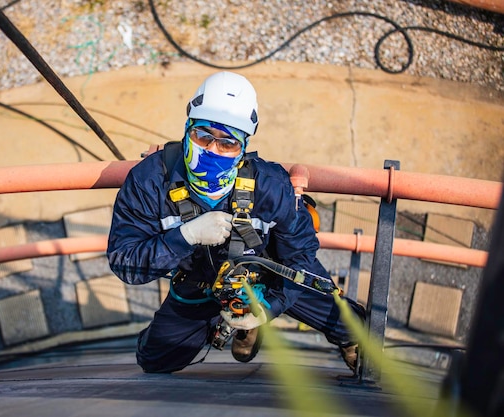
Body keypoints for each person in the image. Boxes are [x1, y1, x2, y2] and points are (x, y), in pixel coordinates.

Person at [107, 71, 365, 373]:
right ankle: (231, 319)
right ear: (187, 127)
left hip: (267, 274)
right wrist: (185, 237)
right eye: (203, 136)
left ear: (242, 147)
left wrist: (270, 307)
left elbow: (301, 254)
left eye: (227, 143)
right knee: (155, 360)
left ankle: (269, 323)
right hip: (198, 282)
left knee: (352, 327)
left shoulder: (269, 185)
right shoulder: (150, 181)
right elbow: (125, 261)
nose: (211, 150)